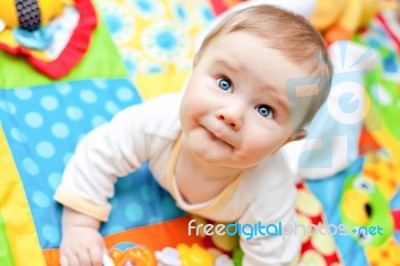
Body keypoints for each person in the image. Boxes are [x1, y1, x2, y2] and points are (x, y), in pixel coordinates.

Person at [54, 4, 333, 266]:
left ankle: (347, 64)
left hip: (295, 156)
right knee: (220, 36)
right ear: (195, 68)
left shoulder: (270, 191)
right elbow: (101, 152)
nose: (232, 114)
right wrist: (80, 223)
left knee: (328, 150)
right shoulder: (158, 121)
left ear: (284, 140)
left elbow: (273, 257)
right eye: (225, 83)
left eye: (264, 110)